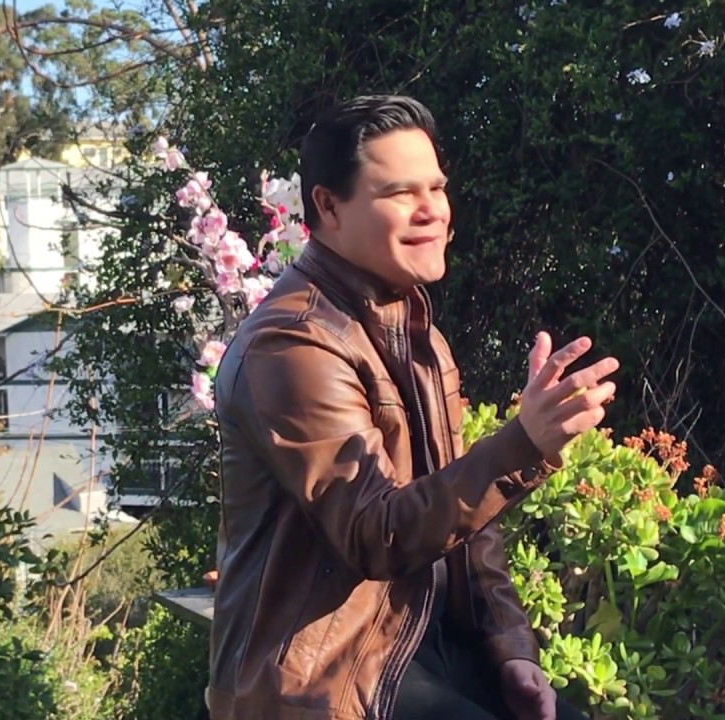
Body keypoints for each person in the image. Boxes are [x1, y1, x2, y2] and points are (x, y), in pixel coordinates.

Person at [207, 95, 620, 720]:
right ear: (328, 206)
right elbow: (376, 534)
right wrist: (523, 443)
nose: (432, 210)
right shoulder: (293, 344)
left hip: (418, 646)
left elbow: (466, 523)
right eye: (400, 192)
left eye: (437, 187)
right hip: (323, 681)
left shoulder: (410, 324)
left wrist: (509, 645)